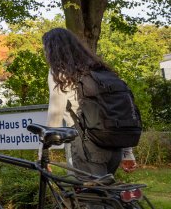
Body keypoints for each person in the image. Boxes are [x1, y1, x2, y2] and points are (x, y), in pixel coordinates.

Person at [43, 27, 137, 177]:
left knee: (89, 197)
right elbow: (119, 111)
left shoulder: (60, 72)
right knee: (106, 196)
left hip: (88, 146)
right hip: (114, 145)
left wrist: (44, 151)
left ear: (52, 49)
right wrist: (127, 152)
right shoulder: (99, 70)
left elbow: (56, 112)